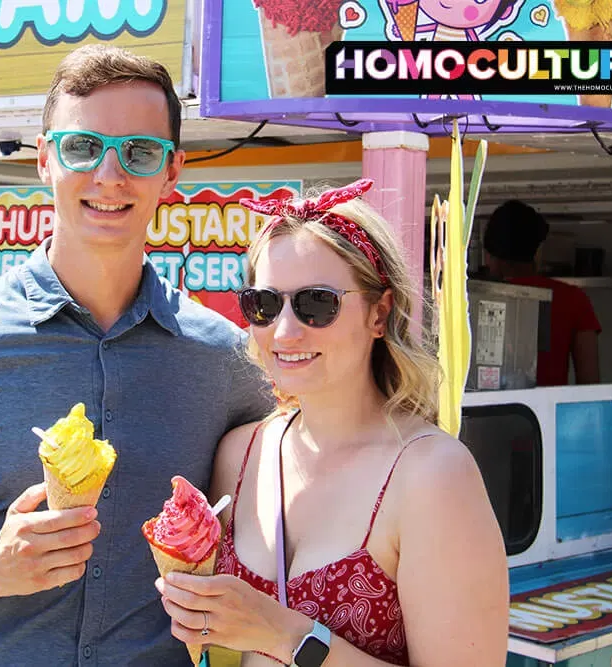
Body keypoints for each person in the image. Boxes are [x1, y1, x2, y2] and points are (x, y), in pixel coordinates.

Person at [0, 44, 272, 666]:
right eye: (82, 148)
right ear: (44, 159)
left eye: (139, 153)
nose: (109, 177)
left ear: (172, 172)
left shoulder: (225, 360)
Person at [155, 180, 509, 666]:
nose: (284, 330)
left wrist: (288, 636)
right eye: (264, 303)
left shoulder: (431, 475)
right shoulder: (240, 454)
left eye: (316, 303)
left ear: (379, 312)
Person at [483, 199, 601, 385]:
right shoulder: (574, 300)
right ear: (537, 251)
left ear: (490, 255)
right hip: (548, 412)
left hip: (480, 412)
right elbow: (590, 383)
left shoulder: (472, 300)